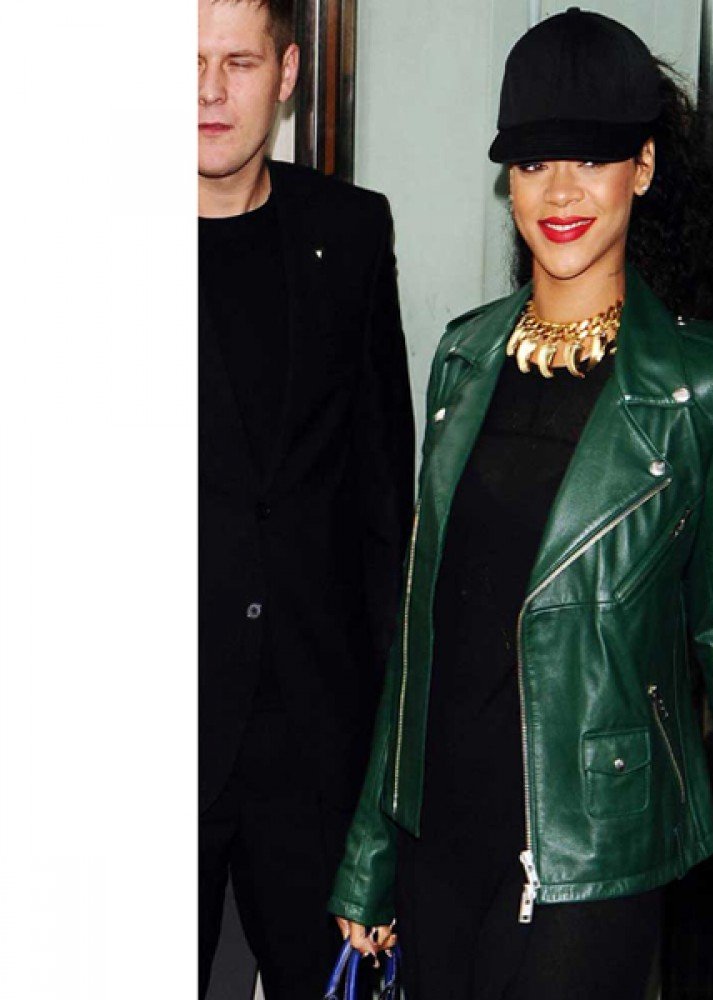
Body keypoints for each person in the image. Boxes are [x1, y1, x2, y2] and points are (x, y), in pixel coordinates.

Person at [330, 9, 713, 999]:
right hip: (438, 838)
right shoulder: (462, 358)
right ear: (508, 177)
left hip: (592, 852)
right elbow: (421, 626)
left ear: (643, 166)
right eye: (535, 161)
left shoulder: (702, 386)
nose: (559, 192)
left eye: (591, 159)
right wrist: (371, 851)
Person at [198, 1, 414, 997]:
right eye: (186, 64)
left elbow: (382, 508)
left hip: (314, 743)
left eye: (237, 63)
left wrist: (389, 777)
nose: (208, 92)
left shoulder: (351, 232)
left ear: (287, 73)